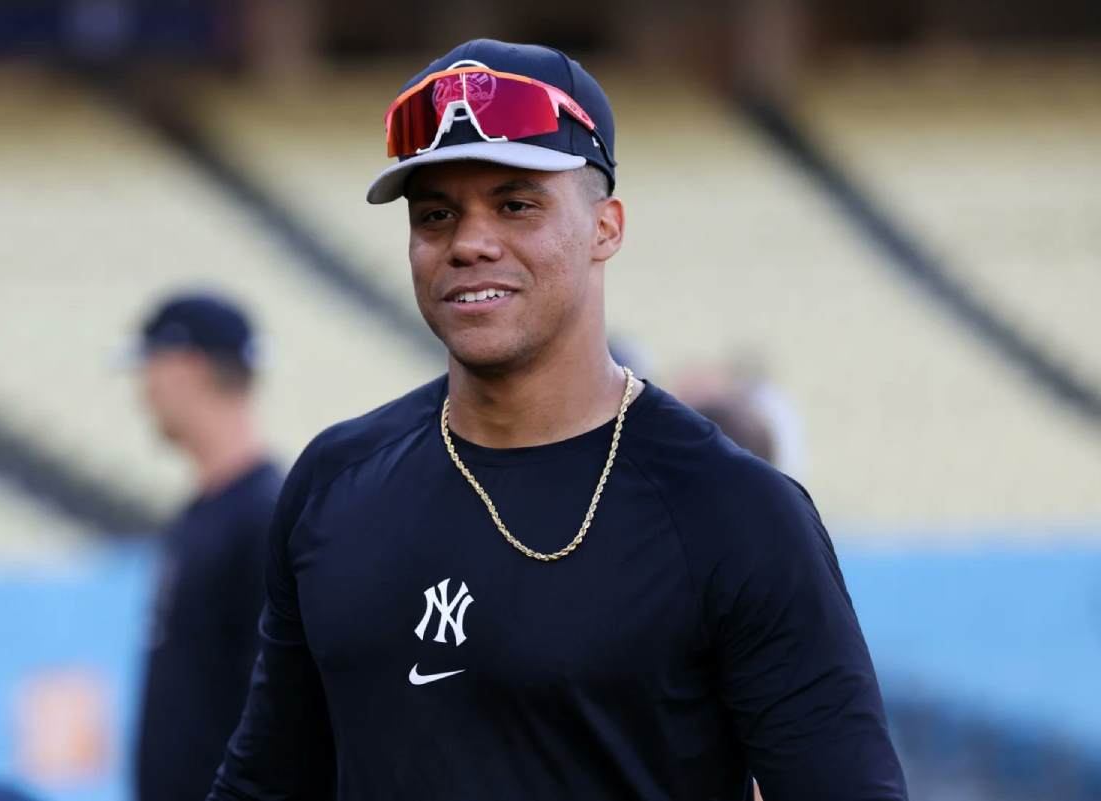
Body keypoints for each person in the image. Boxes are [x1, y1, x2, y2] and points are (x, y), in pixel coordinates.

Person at [208, 40, 907, 801]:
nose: (469, 241)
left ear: (606, 227)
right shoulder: (332, 484)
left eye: (516, 204)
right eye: (436, 213)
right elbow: (265, 785)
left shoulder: (736, 513)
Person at [131, 292, 283, 801]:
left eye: (148, 367)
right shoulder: (203, 514)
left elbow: (279, 708)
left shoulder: (266, 518)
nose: (142, 391)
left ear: (186, 368)